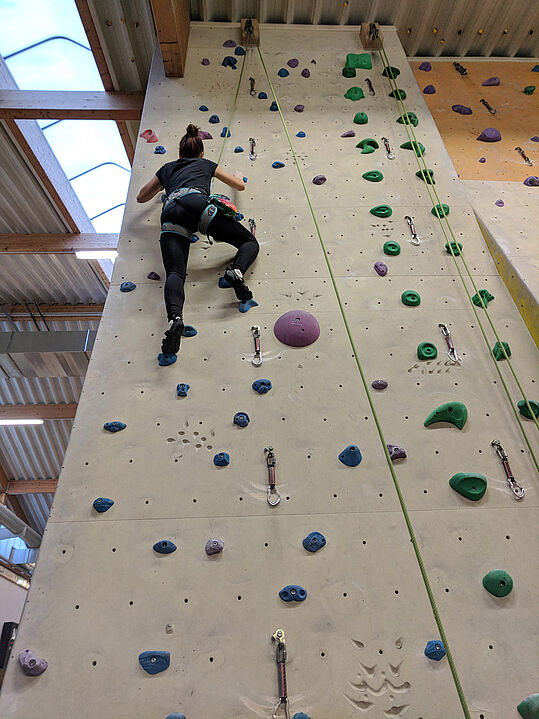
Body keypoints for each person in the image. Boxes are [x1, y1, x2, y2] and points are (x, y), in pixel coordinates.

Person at [137, 123, 259, 355]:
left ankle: (175, 320)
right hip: (198, 205)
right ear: (201, 153)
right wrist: (238, 176)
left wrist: (164, 186)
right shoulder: (205, 163)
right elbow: (239, 186)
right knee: (248, 242)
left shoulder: (167, 168)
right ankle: (237, 272)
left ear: (180, 154)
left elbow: (141, 197)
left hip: (171, 210)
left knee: (175, 273)